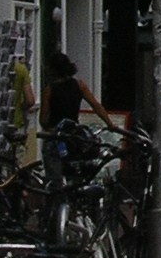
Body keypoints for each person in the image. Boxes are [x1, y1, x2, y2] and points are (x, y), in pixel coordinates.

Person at [41, 50, 114, 179]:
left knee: (54, 177)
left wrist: (48, 127)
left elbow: (43, 120)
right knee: (76, 172)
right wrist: (110, 124)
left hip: (56, 137)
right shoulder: (80, 85)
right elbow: (96, 106)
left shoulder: (49, 90)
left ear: (53, 70)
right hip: (74, 137)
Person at [12, 58, 37, 166]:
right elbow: (30, 100)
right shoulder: (21, 69)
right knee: (17, 161)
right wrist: (22, 106)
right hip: (16, 122)